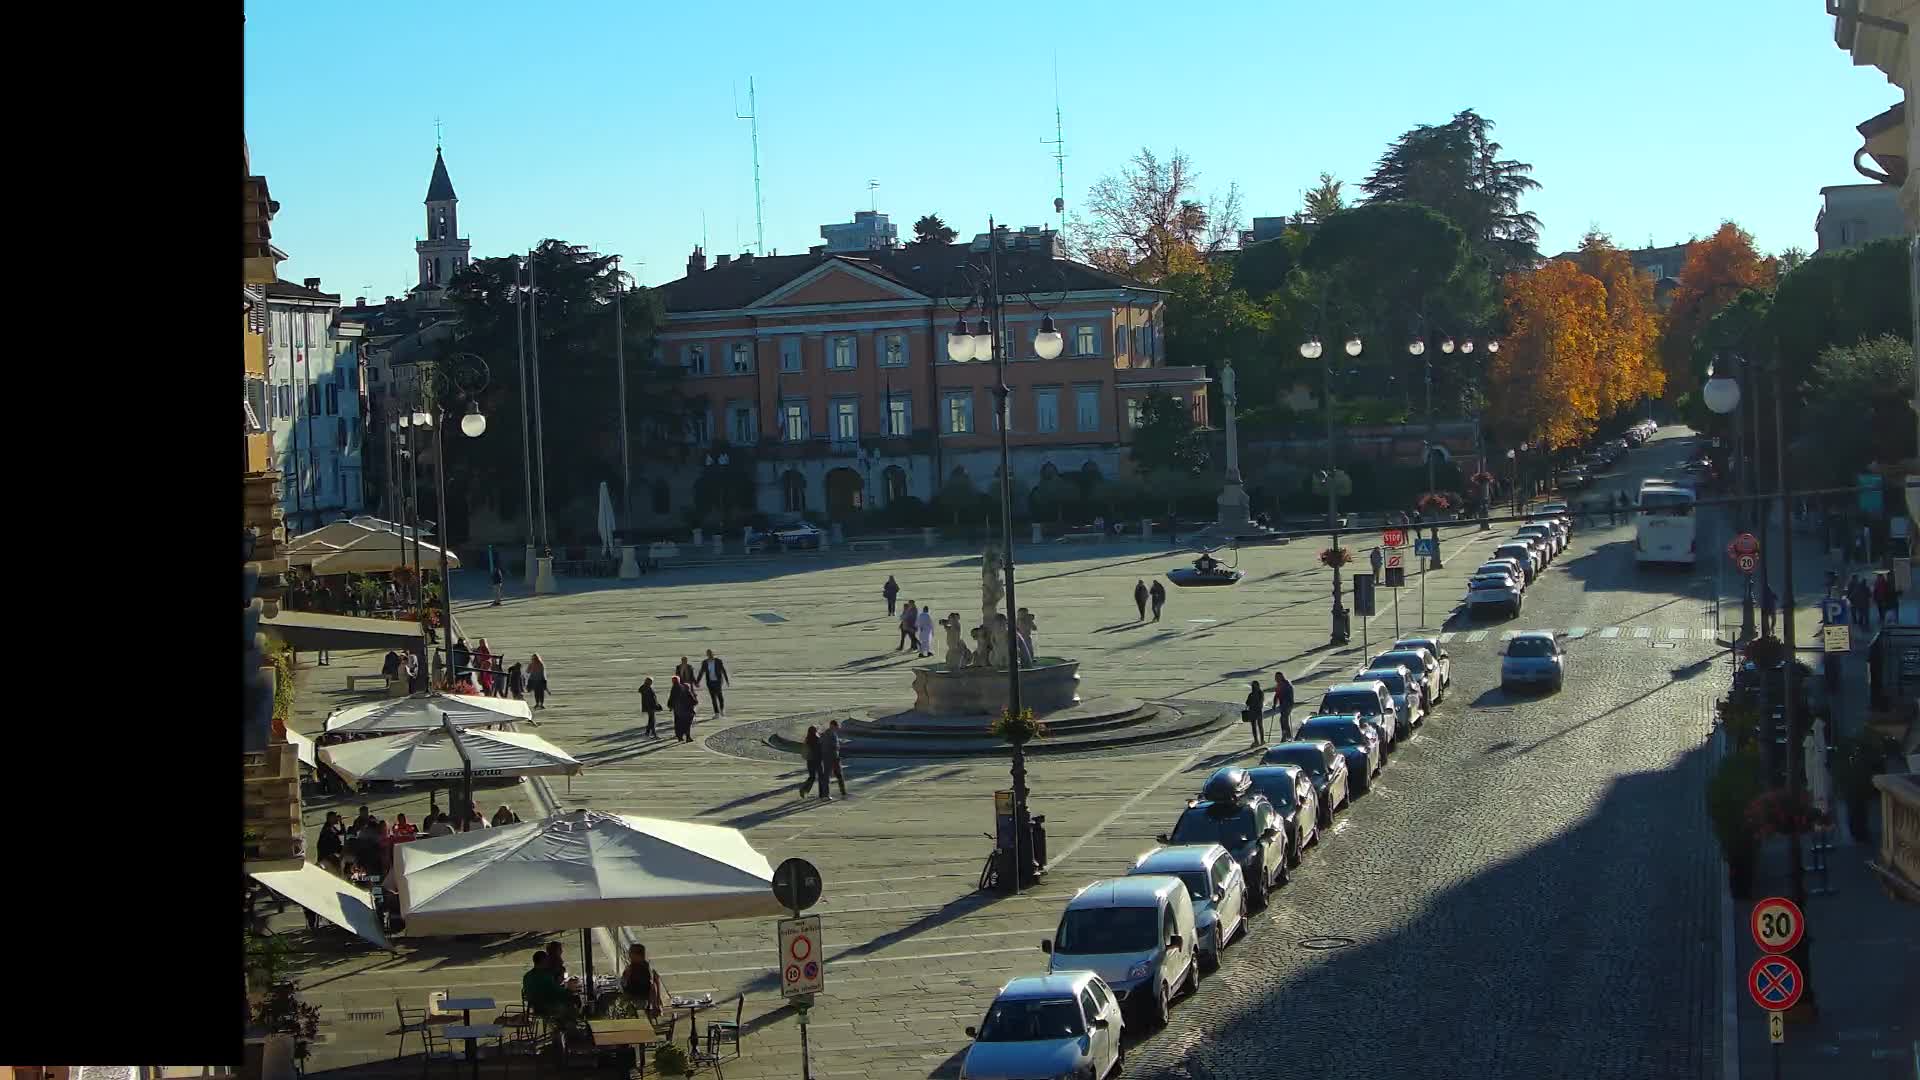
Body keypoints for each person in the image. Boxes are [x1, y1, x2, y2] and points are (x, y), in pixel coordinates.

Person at [621, 943, 663, 1019]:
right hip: (634, 998)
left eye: (631, 953)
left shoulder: (642, 969)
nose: (629, 956)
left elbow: (652, 986)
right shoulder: (634, 966)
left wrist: (655, 1004)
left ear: (638, 955)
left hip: (638, 999)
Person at [697, 649, 730, 717]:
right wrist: (697, 682)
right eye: (708, 653)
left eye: (711, 653)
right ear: (707, 654)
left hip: (718, 682)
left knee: (720, 696)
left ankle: (721, 710)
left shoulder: (718, 661)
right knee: (713, 698)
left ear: (713, 654)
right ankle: (716, 713)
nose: (710, 655)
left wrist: (726, 680)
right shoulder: (705, 662)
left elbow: (723, 671)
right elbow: (701, 672)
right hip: (710, 682)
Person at [668, 675, 696, 742]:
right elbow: (691, 699)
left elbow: (671, 698)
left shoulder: (674, 688)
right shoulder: (684, 688)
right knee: (687, 724)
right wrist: (694, 703)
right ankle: (687, 737)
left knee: (678, 724)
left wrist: (670, 706)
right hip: (686, 709)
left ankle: (680, 737)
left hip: (677, 710)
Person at [1272, 670, 1295, 740]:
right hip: (1283, 705)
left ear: (1281, 677)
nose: (1276, 679)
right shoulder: (1279, 685)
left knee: (1283, 719)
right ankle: (1286, 735)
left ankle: (1286, 735)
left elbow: (1289, 695)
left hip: (1288, 704)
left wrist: (1286, 703)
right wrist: (1274, 704)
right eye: (1276, 677)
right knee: (1283, 720)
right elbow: (1276, 695)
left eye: (1277, 677)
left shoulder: (1287, 685)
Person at [800, 725, 822, 796]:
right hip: (817, 760)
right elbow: (820, 749)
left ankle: (804, 789)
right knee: (821, 777)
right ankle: (822, 793)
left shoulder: (807, 739)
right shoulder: (817, 739)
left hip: (809, 760)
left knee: (812, 777)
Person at [1244, 680, 1266, 745]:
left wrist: (1252, 703)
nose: (1254, 687)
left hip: (1255, 711)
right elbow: (1247, 702)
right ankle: (1259, 741)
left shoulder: (1254, 694)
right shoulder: (1259, 693)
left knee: (1257, 726)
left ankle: (1259, 741)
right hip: (1256, 711)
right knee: (1258, 726)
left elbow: (1247, 703)